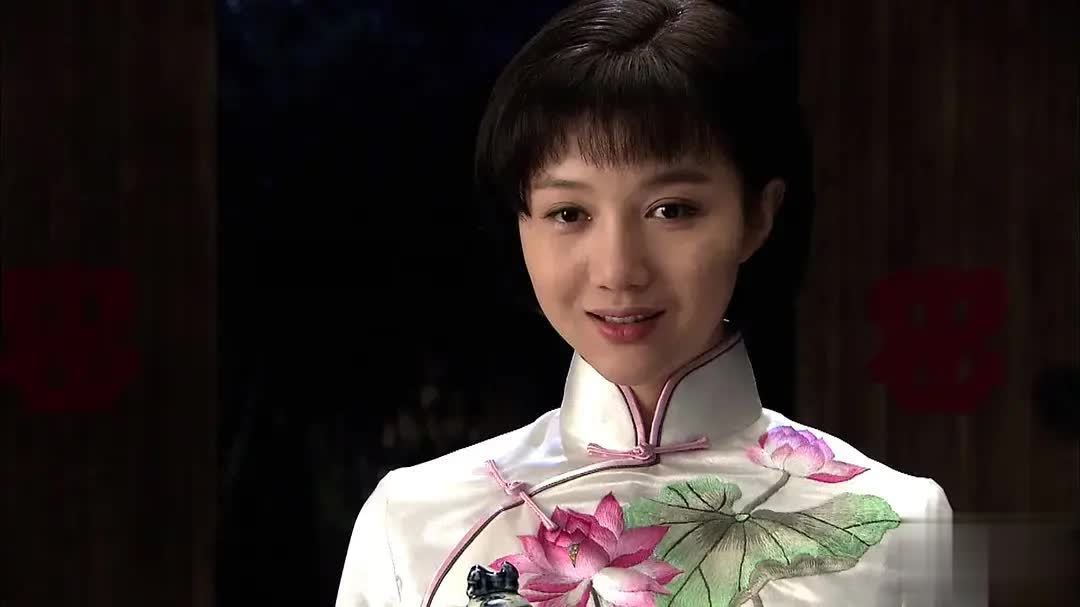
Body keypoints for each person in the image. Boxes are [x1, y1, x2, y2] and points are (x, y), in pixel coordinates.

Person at [335, 1, 952, 605]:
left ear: (757, 217)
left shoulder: (902, 526)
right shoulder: (413, 523)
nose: (618, 271)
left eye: (671, 210)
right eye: (568, 213)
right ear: (520, 224)